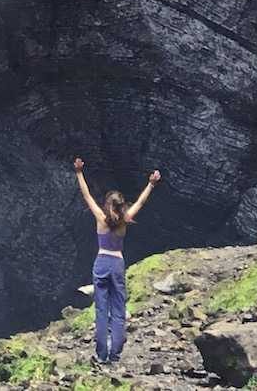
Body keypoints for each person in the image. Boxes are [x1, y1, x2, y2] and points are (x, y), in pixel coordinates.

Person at [72, 157, 162, 366]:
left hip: (101, 262)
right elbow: (140, 201)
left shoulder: (100, 218)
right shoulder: (125, 220)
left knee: (101, 309)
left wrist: (79, 172)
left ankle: (102, 354)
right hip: (117, 264)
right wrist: (151, 184)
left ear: (106, 204)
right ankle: (115, 354)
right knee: (118, 308)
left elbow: (86, 195)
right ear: (122, 206)